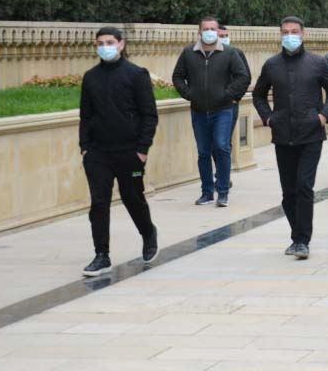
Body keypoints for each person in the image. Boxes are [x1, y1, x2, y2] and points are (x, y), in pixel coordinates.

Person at [253, 16, 328, 260]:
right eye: (285, 32)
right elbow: (258, 94)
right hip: (282, 135)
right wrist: (268, 117)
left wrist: (323, 116)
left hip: (310, 135)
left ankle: (302, 240)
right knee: (288, 191)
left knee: (304, 186)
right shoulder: (272, 65)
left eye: (294, 31)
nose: (289, 35)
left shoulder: (316, 63)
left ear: (303, 34)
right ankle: (296, 235)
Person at [79, 27, 159, 277]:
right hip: (98, 153)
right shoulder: (90, 77)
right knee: (99, 204)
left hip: (129, 153)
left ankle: (148, 234)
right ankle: (101, 255)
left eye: (110, 42)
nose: (105, 46)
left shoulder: (136, 75)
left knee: (132, 198)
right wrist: (85, 148)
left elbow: (149, 115)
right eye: (100, 43)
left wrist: (142, 150)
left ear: (121, 44)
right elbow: (86, 115)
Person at [173, 16, 250, 207]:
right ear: (199, 32)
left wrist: (228, 95)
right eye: (205, 29)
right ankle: (207, 192)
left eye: (212, 29)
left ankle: (222, 191)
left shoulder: (230, 53)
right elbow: (177, 77)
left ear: (217, 32)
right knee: (203, 152)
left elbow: (243, 77)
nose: (209, 32)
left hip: (223, 109)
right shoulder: (189, 53)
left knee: (222, 146)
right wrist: (190, 94)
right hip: (199, 110)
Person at [217, 24, 252, 148]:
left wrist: (235, 98)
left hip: (230, 104)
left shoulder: (236, 53)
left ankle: (223, 167)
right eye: (221, 36)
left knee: (225, 141)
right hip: (209, 104)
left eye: (226, 36)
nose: (224, 38)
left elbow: (246, 78)